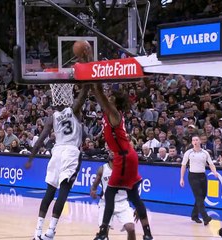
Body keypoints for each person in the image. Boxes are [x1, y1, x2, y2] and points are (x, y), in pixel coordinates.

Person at [25, 41, 92, 240]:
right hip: (70, 151)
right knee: (64, 190)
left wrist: (31, 157)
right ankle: (51, 231)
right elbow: (86, 89)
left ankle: (37, 231)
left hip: (56, 152)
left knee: (49, 191)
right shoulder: (75, 110)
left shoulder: (51, 117)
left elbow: (40, 140)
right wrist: (86, 63)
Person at [92, 84, 153, 240]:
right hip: (128, 155)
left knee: (110, 193)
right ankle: (147, 233)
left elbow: (102, 98)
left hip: (124, 156)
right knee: (133, 194)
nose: (107, 97)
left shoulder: (114, 113)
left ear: (114, 101)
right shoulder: (109, 113)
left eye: (110, 96)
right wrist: (92, 87)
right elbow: (100, 99)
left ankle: (103, 232)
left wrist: (94, 83)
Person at [91, 151, 136, 240]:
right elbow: (96, 182)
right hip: (106, 203)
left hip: (122, 202)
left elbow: (133, 188)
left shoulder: (125, 170)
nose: (112, 153)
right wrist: (93, 189)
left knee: (131, 228)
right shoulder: (102, 169)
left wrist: (138, 206)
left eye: (114, 151)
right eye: (110, 151)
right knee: (104, 231)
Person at [180, 135, 218, 225]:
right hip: (193, 176)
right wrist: (181, 178)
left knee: (202, 196)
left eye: (197, 140)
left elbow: (211, 164)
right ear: (192, 142)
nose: (195, 141)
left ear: (200, 141)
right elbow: (183, 165)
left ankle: (194, 215)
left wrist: (215, 172)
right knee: (198, 197)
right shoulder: (188, 153)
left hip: (202, 176)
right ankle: (205, 217)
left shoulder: (205, 153)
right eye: (193, 140)